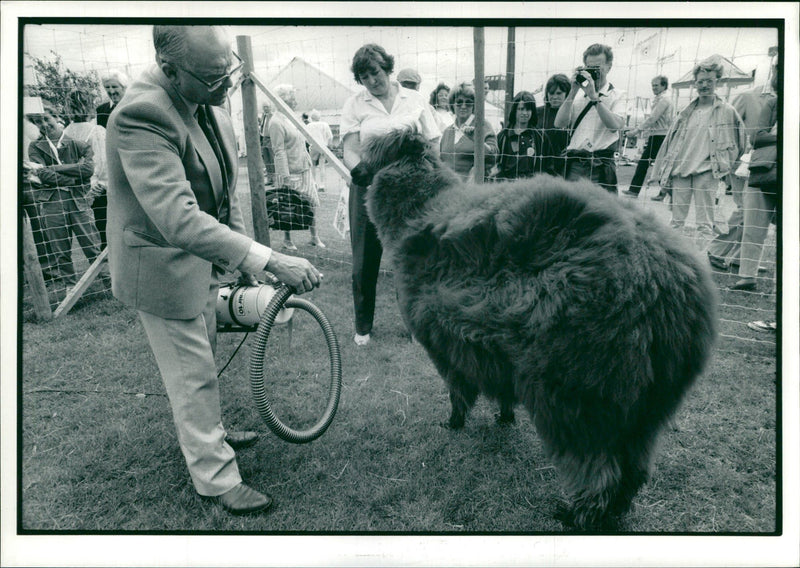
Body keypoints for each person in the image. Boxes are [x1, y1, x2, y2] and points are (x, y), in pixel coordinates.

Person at [105, 25, 322, 516]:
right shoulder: (140, 116)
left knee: (204, 355)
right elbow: (179, 218)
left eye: (230, 70)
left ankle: (213, 436)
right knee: (192, 374)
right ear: (169, 69)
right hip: (159, 265)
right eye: (212, 77)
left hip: (200, 260)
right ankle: (216, 479)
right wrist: (269, 259)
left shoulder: (209, 102)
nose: (226, 84)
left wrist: (242, 263)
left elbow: (224, 196)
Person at [340, 43, 440, 346]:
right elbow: (349, 148)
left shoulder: (415, 99)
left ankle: (414, 327)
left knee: (410, 258)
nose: (373, 79)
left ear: (387, 67)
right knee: (364, 260)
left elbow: (433, 142)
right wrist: (358, 169)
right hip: (370, 187)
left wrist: (429, 177)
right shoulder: (355, 104)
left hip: (409, 189)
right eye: (364, 76)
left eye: (376, 71)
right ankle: (363, 327)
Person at [651, 59, 745, 246]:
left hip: (707, 172)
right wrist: (661, 170)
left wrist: (725, 164)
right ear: (695, 83)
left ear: (717, 81)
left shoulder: (727, 111)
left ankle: (702, 261)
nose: (704, 85)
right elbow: (670, 142)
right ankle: (673, 260)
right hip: (681, 172)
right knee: (676, 222)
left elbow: (740, 141)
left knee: (704, 224)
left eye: (709, 81)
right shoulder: (685, 112)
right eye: (701, 81)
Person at [707, 60, 778, 270]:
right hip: (744, 164)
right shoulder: (749, 96)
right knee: (746, 210)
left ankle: (741, 258)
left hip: (770, 166)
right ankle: (716, 250)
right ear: (774, 69)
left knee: (757, 214)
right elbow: (725, 125)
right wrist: (728, 158)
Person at [26, 101, 102, 288]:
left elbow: (87, 169)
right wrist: (72, 179)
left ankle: (107, 279)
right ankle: (70, 285)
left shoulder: (77, 143)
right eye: (38, 121)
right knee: (60, 247)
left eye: (46, 119)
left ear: (56, 117)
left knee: (90, 243)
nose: (43, 124)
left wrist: (56, 169)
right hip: (52, 202)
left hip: (78, 200)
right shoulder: (35, 148)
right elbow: (42, 174)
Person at [731, 65, 779, 293]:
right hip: (765, 169)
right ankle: (746, 276)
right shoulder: (772, 102)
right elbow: (757, 136)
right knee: (753, 224)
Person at [554, 43, 626, 193]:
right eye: (590, 68)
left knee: (602, 212)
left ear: (609, 67)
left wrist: (594, 98)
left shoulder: (617, 95)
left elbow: (615, 125)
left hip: (600, 165)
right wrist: (572, 91)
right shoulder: (578, 95)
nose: (594, 72)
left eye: (597, 67)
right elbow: (559, 123)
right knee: (572, 211)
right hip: (575, 164)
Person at [268, 84, 325, 250]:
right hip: (290, 172)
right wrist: (284, 177)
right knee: (288, 205)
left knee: (312, 202)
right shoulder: (276, 122)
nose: (295, 101)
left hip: (304, 168)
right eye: (292, 98)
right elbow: (278, 151)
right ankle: (287, 240)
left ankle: (314, 237)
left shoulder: (293, 118)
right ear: (283, 100)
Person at [64, 89, 110, 249]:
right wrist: (101, 184)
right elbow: (102, 161)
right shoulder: (96, 131)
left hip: (75, 186)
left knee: (89, 233)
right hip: (96, 188)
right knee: (103, 231)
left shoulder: (65, 131)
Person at [622, 75, 674, 199]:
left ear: (664, 86)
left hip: (659, 136)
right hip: (659, 135)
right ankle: (666, 193)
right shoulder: (662, 98)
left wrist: (635, 131)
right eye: (652, 85)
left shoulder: (664, 100)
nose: (653, 88)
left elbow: (652, 119)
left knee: (645, 163)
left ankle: (634, 190)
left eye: (656, 85)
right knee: (661, 164)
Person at [439, 81, 499, 181]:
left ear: (474, 105)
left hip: (474, 190)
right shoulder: (447, 132)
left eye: (468, 102)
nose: (463, 106)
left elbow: (494, 157)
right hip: (449, 189)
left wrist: (477, 139)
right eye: (459, 102)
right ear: (452, 105)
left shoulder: (483, 126)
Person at [494, 91, 550, 180]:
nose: (524, 113)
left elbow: (549, 165)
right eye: (521, 109)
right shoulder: (503, 136)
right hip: (506, 185)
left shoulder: (541, 137)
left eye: (528, 109)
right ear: (514, 110)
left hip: (532, 185)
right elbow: (495, 164)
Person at [536, 73, 571, 178]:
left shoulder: (573, 112)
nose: (554, 97)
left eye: (559, 93)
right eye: (551, 93)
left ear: (567, 93)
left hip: (566, 165)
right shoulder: (538, 113)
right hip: (541, 163)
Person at [305, 109, 333, 192]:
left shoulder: (309, 125)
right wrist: (328, 145)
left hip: (314, 146)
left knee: (313, 165)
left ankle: (314, 183)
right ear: (319, 117)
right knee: (322, 165)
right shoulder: (325, 124)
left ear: (311, 117)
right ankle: (322, 185)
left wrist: (309, 143)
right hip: (323, 146)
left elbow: (306, 137)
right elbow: (330, 137)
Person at [258, 102, 275, 185]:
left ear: (270, 107)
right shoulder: (263, 116)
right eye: (264, 107)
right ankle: (270, 179)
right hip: (264, 139)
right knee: (266, 160)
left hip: (271, 139)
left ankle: (275, 179)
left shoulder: (273, 116)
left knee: (272, 160)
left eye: (267, 107)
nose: (265, 108)